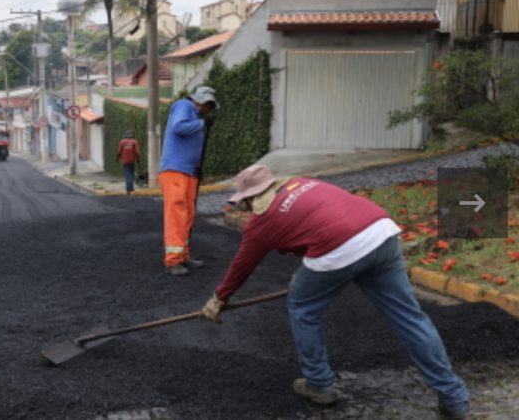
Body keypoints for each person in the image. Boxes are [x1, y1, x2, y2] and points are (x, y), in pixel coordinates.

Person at [199, 164, 470, 419]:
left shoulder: (262, 222)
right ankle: (453, 397)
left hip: (340, 249)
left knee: (302, 306)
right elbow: (319, 223)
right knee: (410, 318)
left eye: (244, 202)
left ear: (249, 198)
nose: (245, 208)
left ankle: (318, 384)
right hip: (381, 232)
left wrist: (219, 298)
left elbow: (242, 266)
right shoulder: (302, 183)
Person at [159, 86, 219, 276]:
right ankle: (173, 260)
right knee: (177, 213)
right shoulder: (184, 105)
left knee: (187, 214)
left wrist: (196, 169)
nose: (209, 110)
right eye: (209, 106)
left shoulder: (195, 117)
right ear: (201, 101)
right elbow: (178, 127)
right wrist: (202, 124)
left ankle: (183, 256)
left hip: (188, 171)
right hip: (176, 169)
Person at [115, 130, 140, 196]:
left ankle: (128, 189)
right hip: (132, 160)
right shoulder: (134, 142)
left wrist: (117, 159)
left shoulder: (122, 142)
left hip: (125, 161)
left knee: (128, 174)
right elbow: (137, 152)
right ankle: (131, 187)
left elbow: (119, 152)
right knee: (131, 173)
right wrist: (138, 159)